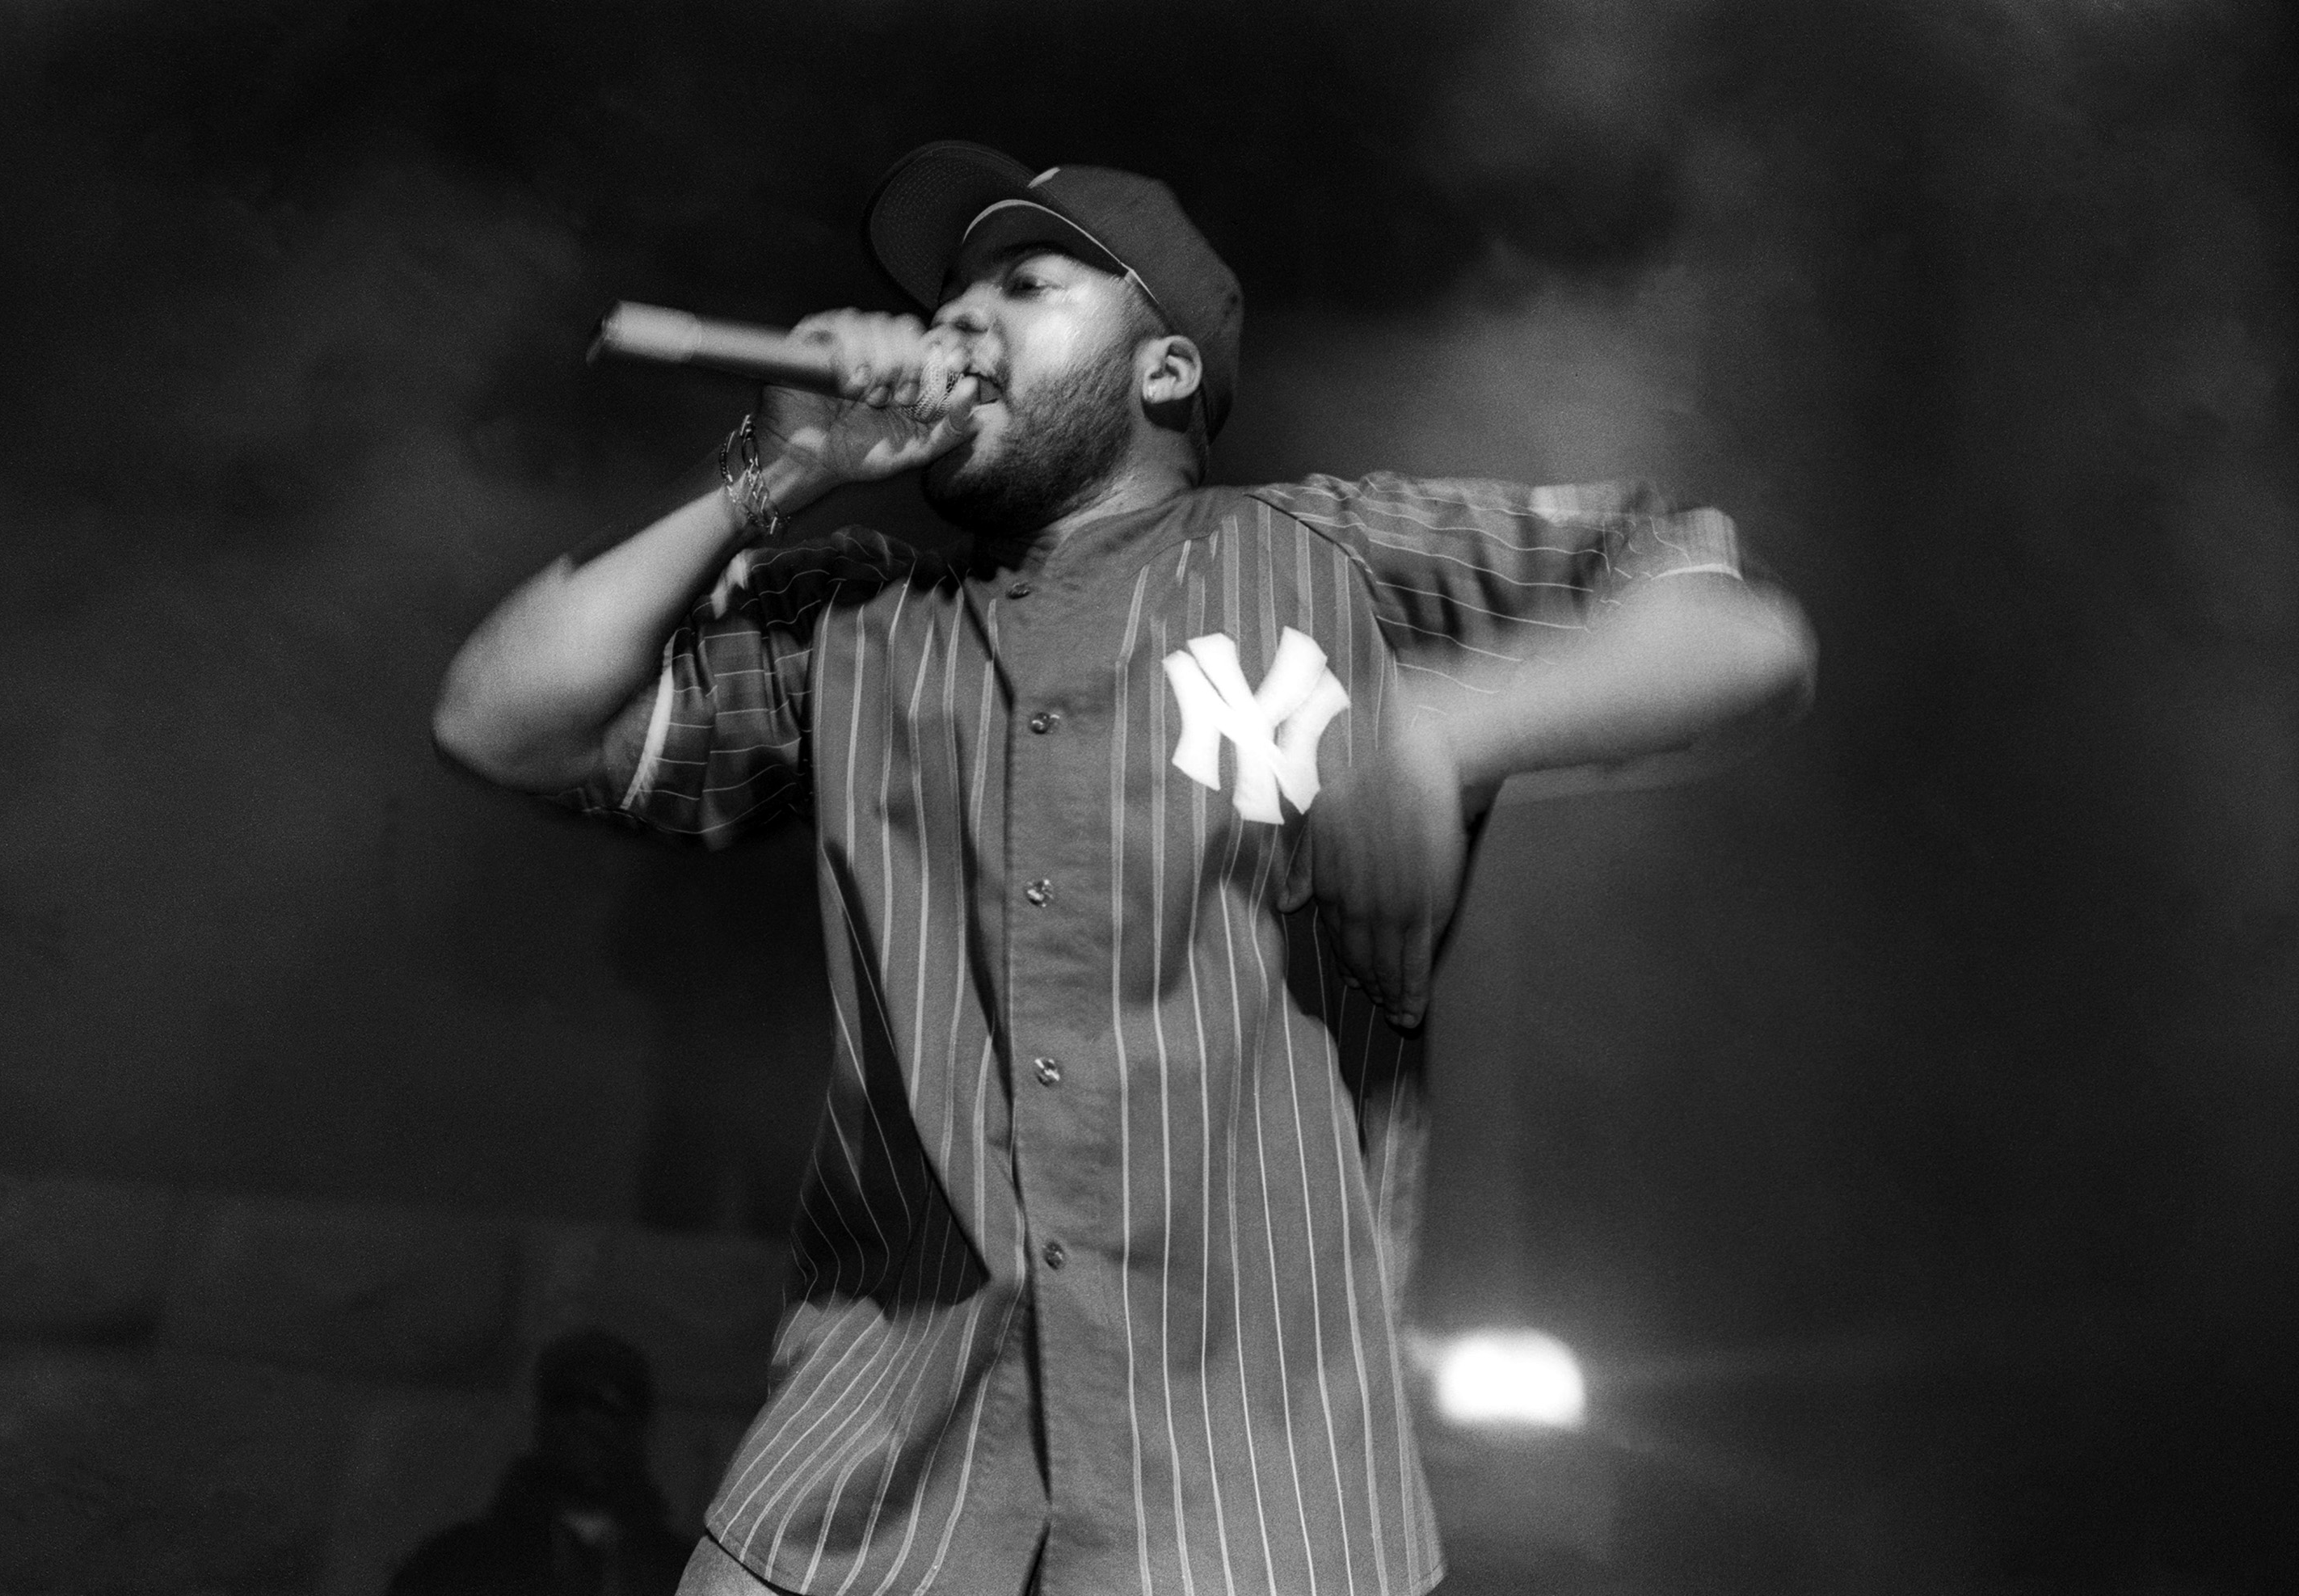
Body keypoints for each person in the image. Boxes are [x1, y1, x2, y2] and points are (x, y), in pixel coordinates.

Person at [433, 141, 1813, 1596]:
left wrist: (1443, 729)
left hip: (1249, 1519)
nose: (962, 321)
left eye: (1025, 285)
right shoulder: (848, 625)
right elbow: (499, 720)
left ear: (1162, 372)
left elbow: (1741, 631)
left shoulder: (1329, 560)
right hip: (850, 1519)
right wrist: (775, 475)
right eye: (950, 296)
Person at [388, 1327, 693, 1595]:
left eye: (609, 1408)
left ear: (640, 1429)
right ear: (541, 1422)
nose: (587, 1423)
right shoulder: (452, 1568)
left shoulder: (689, 1576)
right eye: (568, 1403)